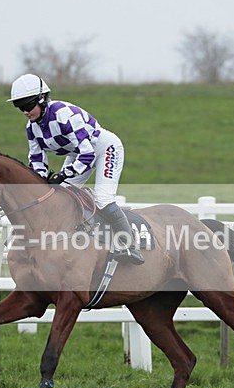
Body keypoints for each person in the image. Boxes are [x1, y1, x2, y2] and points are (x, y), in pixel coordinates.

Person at [8, 73, 144, 265]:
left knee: (103, 198)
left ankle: (131, 246)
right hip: (77, 154)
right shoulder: (32, 128)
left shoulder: (64, 115)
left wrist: (63, 174)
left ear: (42, 99)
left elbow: (87, 154)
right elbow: (36, 158)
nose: (25, 112)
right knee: (58, 196)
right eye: (19, 107)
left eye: (28, 105)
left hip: (104, 148)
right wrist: (42, 180)